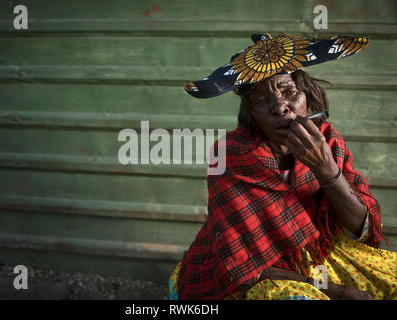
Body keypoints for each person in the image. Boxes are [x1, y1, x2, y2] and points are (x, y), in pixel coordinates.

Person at [169, 33, 397, 300]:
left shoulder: (328, 140)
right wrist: (332, 290)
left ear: (307, 98)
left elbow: (363, 230)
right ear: (251, 115)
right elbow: (243, 262)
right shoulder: (231, 155)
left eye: (289, 92)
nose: (280, 107)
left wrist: (325, 169)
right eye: (263, 100)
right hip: (259, 273)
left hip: (316, 254)